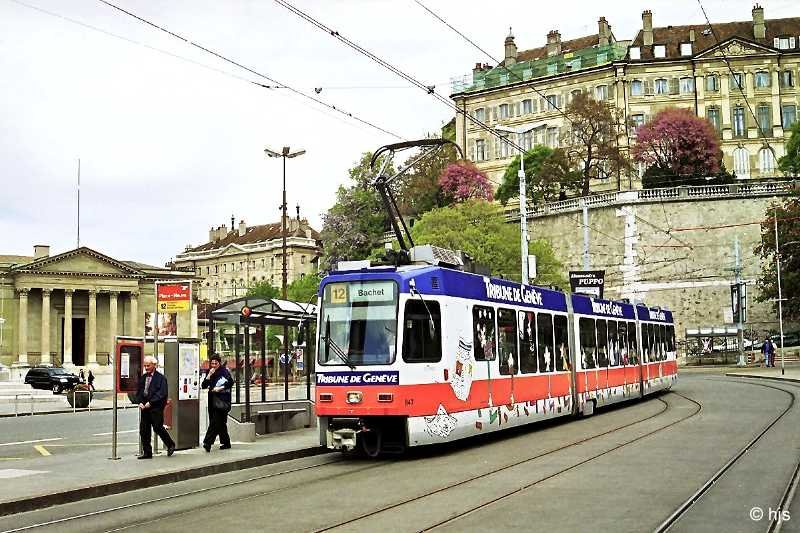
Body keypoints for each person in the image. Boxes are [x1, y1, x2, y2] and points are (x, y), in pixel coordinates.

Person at [135, 355, 175, 459]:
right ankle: (147, 452)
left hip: (155, 407)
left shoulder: (161, 378)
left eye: (148, 365)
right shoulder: (143, 378)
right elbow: (139, 392)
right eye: (145, 366)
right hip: (144, 408)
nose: (146, 367)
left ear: (154, 365)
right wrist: (139, 402)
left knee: (158, 427)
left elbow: (162, 393)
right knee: (144, 430)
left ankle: (170, 444)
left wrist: (151, 402)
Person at [202, 355, 233, 452]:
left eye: (216, 363)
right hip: (212, 399)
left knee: (215, 422)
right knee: (220, 423)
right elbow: (203, 386)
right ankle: (226, 442)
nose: (214, 365)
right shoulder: (209, 371)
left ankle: (207, 442)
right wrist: (209, 375)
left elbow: (231, 382)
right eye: (212, 363)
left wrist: (221, 388)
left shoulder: (224, 371)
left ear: (219, 363)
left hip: (222, 399)